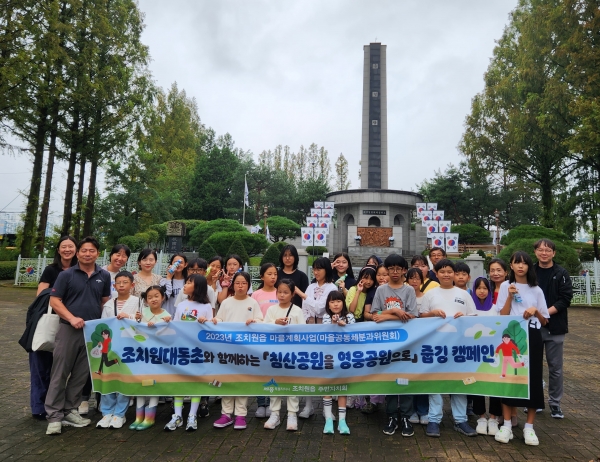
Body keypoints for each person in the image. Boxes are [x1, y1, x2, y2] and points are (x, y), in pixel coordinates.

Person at [44, 236, 112, 436]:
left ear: (97, 253)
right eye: (84, 250)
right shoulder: (67, 275)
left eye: (92, 250)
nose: (87, 254)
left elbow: (105, 302)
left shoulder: (104, 275)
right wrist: (71, 318)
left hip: (92, 333)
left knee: (81, 375)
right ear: (78, 253)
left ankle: (70, 411)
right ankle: (54, 416)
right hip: (68, 329)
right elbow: (55, 300)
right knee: (60, 373)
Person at [494, 251, 550, 447]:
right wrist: (510, 297)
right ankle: (507, 425)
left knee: (532, 379)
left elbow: (545, 321)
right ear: (511, 265)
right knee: (509, 378)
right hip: (510, 336)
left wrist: (535, 311)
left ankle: (529, 427)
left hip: (532, 336)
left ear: (529, 266)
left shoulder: (537, 290)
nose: (520, 266)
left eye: (524, 263)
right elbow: (502, 315)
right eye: (516, 263)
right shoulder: (505, 287)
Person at [419, 259, 477, 438]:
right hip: (436, 347)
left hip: (459, 347)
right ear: (436, 274)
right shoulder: (430, 294)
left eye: (450, 271)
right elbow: (421, 317)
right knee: (435, 382)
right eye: (442, 271)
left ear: (454, 273)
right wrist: (432, 313)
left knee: (459, 382)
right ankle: (434, 419)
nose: (446, 274)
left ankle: (460, 419)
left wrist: (464, 318)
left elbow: (474, 317)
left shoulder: (464, 294)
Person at [29, 236, 78, 420]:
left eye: (71, 246)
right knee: (41, 365)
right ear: (58, 250)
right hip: (49, 321)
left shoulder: (80, 270)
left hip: (71, 324)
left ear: (76, 249)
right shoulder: (51, 270)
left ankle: (60, 405)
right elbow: (41, 295)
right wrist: (60, 297)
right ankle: (39, 407)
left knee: (62, 369)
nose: (67, 250)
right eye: (63, 246)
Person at [371, 254, 417, 437]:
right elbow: (375, 315)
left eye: (399, 268)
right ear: (387, 270)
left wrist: (387, 316)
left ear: (404, 270)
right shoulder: (381, 290)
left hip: (406, 342)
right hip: (386, 342)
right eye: (391, 269)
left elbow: (412, 316)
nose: (395, 272)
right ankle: (391, 416)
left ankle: (405, 416)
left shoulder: (409, 290)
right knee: (389, 379)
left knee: (405, 379)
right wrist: (396, 311)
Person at [212, 272, 263, 430]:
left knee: (242, 380)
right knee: (227, 380)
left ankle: (241, 414)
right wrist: (215, 320)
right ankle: (226, 414)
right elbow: (220, 318)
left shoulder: (253, 303)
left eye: (244, 283)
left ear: (249, 285)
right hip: (228, 349)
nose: (240, 286)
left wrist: (254, 321)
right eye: (237, 283)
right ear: (233, 285)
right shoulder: (226, 302)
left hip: (245, 350)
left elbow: (260, 320)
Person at [165, 274, 214, 431]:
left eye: (189, 282)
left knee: (196, 381)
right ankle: (177, 415)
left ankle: (192, 415)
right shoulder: (181, 305)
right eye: (186, 282)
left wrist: (206, 322)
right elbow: (176, 326)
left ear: (197, 286)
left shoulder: (206, 307)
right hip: (181, 349)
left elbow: (211, 329)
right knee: (179, 381)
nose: (185, 285)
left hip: (198, 350)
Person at [533, 238, 572, 419]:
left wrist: (544, 314)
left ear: (553, 253)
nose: (544, 253)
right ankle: (535, 401)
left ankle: (555, 403)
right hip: (533, 326)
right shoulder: (530, 272)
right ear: (535, 252)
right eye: (541, 250)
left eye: (548, 250)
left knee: (555, 368)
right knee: (533, 366)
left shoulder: (561, 273)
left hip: (555, 327)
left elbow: (565, 299)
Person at [96, 271, 140, 430]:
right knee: (108, 378)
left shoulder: (138, 302)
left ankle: (120, 414)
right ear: (114, 285)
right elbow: (103, 325)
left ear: (132, 285)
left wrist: (129, 316)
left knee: (124, 379)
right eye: (118, 282)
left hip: (129, 347)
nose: (121, 285)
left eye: (125, 282)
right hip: (111, 347)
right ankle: (106, 412)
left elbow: (142, 321)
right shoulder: (109, 304)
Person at [263, 279, 305, 431]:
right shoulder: (271, 310)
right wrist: (275, 323)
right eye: (279, 292)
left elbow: (302, 332)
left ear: (293, 294)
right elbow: (264, 327)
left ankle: (292, 414)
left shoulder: (297, 311)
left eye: (286, 292)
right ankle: (275, 414)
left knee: (291, 382)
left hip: (292, 353)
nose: (282, 295)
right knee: (275, 382)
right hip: (275, 353)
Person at [129, 286, 171, 430]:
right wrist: (137, 320)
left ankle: (150, 417)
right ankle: (138, 416)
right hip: (142, 355)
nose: (153, 299)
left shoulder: (167, 315)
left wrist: (165, 323)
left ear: (163, 297)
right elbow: (135, 330)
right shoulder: (142, 313)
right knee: (141, 382)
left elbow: (169, 336)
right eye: (150, 297)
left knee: (154, 383)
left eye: (156, 296)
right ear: (146, 300)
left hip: (157, 357)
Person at [470, 277, 502, 436]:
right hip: (475, 353)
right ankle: (481, 417)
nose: (481, 291)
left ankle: (494, 417)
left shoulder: (495, 309)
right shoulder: (470, 309)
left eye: (485, 288)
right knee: (477, 383)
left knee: (494, 383)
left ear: (489, 291)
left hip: (493, 353)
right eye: (478, 288)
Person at [321, 291, 355, 435]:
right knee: (327, 388)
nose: (335, 304)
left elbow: (354, 336)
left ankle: (342, 421)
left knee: (342, 388)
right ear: (328, 304)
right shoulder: (326, 317)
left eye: (338, 301)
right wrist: (334, 324)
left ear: (343, 303)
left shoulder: (350, 316)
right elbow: (326, 336)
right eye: (332, 302)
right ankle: (328, 419)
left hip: (344, 358)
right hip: (329, 357)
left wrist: (344, 327)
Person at [251, 263, 279, 418]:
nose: (273, 277)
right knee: (260, 370)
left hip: (276, 338)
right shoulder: (256, 295)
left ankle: (273, 404)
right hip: (260, 338)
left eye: (275, 274)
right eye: (269, 274)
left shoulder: (280, 292)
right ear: (262, 276)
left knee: (273, 369)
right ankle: (261, 403)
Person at [405, 267, 429, 426]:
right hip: (407, 342)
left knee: (422, 376)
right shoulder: (404, 296)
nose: (414, 281)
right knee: (409, 376)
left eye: (417, 278)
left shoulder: (427, 297)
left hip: (423, 341)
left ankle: (423, 410)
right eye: (411, 278)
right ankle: (411, 410)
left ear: (422, 280)